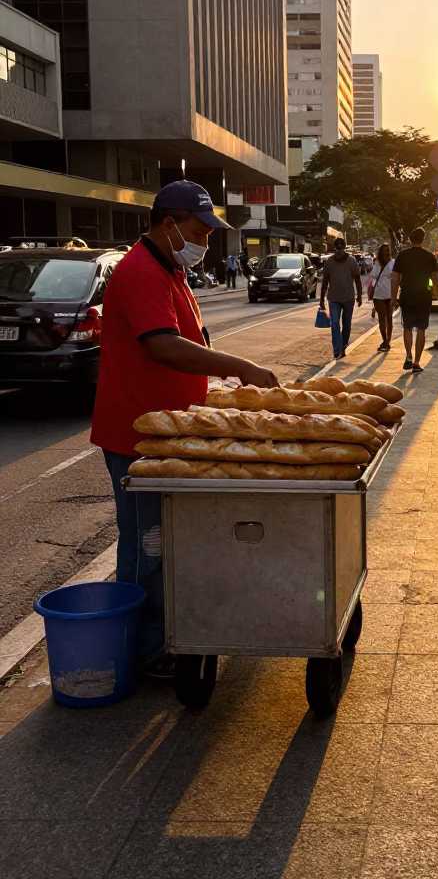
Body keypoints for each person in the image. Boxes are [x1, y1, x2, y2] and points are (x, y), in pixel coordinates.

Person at [90, 181, 279, 677]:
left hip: (169, 432)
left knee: (170, 541)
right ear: (168, 223)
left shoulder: (169, 269)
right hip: (137, 435)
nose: (205, 242)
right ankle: (146, 651)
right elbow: (164, 346)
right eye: (199, 232)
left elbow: (187, 342)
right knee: (146, 545)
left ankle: (168, 635)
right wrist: (241, 366)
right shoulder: (140, 272)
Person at [391, 227, 438, 373]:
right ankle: (417, 362)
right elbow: (435, 277)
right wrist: (437, 294)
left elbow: (395, 278)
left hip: (407, 295)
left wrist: (394, 298)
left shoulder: (402, 255)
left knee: (407, 327)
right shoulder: (429, 256)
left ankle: (408, 355)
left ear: (410, 239)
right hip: (423, 296)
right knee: (421, 329)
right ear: (423, 239)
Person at [320, 237, 362, 359]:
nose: (338, 252)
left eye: (341, 249)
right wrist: (321, 300)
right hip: (333, 299)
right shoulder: (329, 262)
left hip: (348, 298)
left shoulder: (352, 261)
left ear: (344, 248)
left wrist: (359, 296)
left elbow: (358, 280)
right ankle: (336, 350)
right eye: (336, 249)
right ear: (334, 249)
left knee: (347, 324)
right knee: (334, 324)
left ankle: (343, 345)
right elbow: (325, 282)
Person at [368, 242, 395, 352]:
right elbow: (374, 278)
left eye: (389, 250)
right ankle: (385, 340)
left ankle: (388, 341)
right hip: (378, 295)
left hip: (390, 295)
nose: (388, 253)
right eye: (385, 251)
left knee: (389, 318)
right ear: (381, 253)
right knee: (382, 319)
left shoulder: (394, 263)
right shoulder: (377, 264)